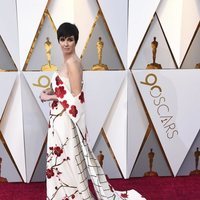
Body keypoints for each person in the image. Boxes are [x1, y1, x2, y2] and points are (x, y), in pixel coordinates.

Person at [40, 22, 145, 200]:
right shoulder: (65, 62)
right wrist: (49, 91)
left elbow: (75, 97)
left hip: (66, 121)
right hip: (57, 120)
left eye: (70, 39)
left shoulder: (74, 63)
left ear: (76, 41)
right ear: (58, 41)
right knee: (61, 161)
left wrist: (49, 98)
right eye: (63, 39)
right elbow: (62, 87)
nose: (66, 43)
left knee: (69, 160)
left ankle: (74, 196)